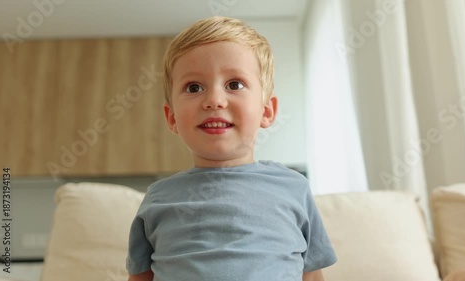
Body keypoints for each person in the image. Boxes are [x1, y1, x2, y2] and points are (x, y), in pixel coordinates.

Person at [127, 16, 337, 281]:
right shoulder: (158, 198)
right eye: (194, 87)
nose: (214, 100)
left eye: (234, 84)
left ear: (267, 111)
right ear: (172, 118)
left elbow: (312, 275)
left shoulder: (294, 188)